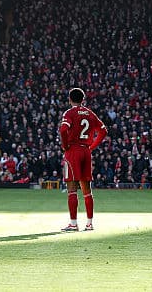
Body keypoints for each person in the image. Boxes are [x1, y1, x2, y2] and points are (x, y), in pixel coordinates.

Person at [59, 87, 107, 232]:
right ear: (83, 99)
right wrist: (91, 147)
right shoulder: (90, 114)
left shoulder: (69, 113)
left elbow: (62, 130)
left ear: (69, 99)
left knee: (72, 189)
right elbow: (104, 131)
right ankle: (89, 223)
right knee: (87, 189)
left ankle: (73, 224)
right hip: (86, 151)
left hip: (73, 151)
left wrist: (65, 146)